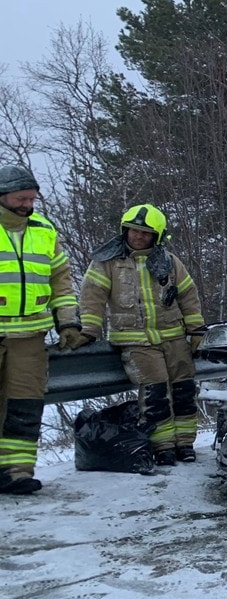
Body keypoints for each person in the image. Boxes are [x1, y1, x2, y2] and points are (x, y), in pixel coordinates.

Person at [79, 204, 206, 466]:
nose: (138, 236)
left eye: (145, 232)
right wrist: (89, 330)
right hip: (135, 340)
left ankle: (185, 444)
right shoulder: (107, 263)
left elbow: (188, 297)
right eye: (134, 230)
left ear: (156, 236)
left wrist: (196, 330)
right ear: (125, 230)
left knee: (184, 389)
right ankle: (163, 447)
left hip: (173, 338)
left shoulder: (170, 262)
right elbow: (92, 297)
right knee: (155, 392)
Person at [0, 165, 85, 494]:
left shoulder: (44, 231)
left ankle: (16, 473)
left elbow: (61, 285)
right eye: (20, 198)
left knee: (25, 405)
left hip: (30, 338)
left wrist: (68, 322)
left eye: (32, 199)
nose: (27, 204)